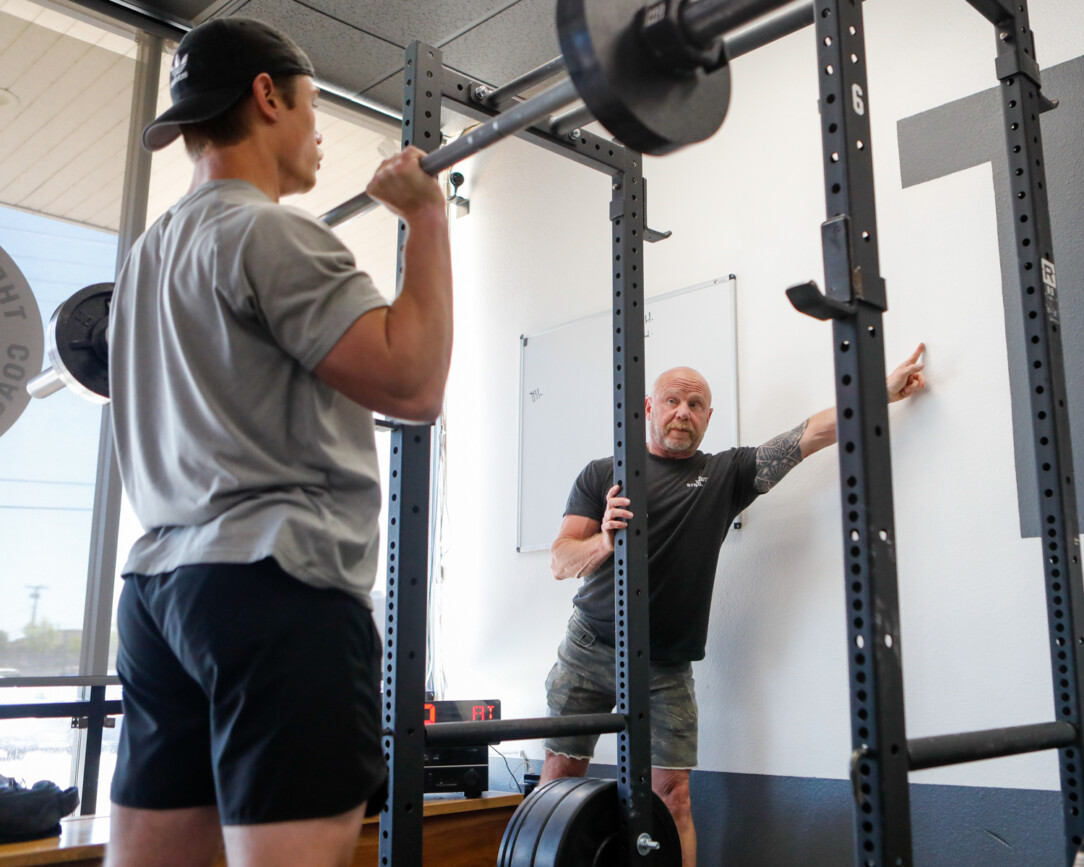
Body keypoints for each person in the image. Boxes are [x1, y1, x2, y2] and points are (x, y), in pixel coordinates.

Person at [105, 17, 451, 867]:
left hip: (159, 597)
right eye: (312, 108)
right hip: (275, 590)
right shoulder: (271, 233)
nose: (319, 136)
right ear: (268, 97)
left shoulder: (146, 259)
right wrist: (428, 216)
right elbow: (412, 386)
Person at [541, 347, 927, 867]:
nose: (683, 412)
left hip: (666, 663)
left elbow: (807, 434)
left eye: (695, 404)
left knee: (673, 795)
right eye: (673, 401)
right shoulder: (603, 473)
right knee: (559, 782)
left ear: (707, 417)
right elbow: (562, 561)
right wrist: (605, 542)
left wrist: (879, 391)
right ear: (649, 408)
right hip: (589, 647)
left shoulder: (727, 474)